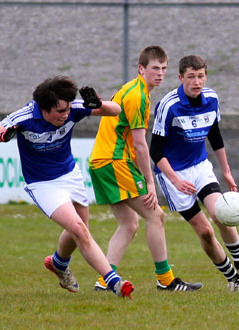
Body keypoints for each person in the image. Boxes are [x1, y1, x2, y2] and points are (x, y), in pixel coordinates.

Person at [0, 76, 134, 298]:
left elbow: (116, 110)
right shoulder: (25, 117)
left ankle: (59, 264)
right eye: (60, 111)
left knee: (81, 230)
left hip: (70, 175)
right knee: (80, 230)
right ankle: (115, 283)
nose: (65, 114)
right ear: (44, 109)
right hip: (43, 184)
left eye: (67, 109)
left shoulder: (71, 109)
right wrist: (2, 135)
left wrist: (99, 104)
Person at [89, 46, 202, 292]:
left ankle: (105, 281)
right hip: (114, 162)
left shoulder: (133, 89)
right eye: (154, 68)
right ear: (142, 69)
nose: (160, 74)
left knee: (129, 224)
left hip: (101, 162)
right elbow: (141, 145)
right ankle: (166, 280)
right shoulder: (138, 95)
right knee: (155, 215)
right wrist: (150, 182)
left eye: (163, 69)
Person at [150, 55, 239, 292]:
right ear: (181, 78)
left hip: (200, 167)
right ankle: (233, 279)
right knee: (205, 232)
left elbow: (215, 136)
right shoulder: (168, 105)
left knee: (221, 214)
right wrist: (176, 180)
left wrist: (227, 171)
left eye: (200, 76)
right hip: (173, 174)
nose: (196, 81)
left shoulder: (211, 98)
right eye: (191, 77)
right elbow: (155, 150)